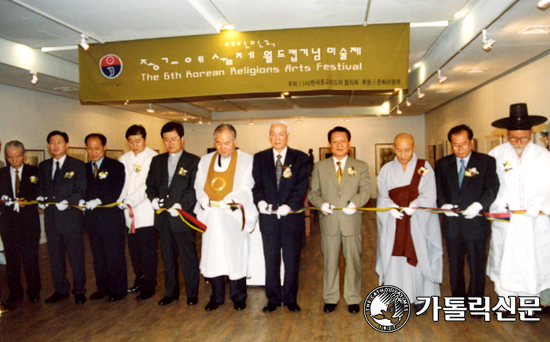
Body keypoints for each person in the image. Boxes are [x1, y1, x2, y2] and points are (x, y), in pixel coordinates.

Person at [488, 103, 550, 315]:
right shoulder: (496, 154)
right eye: (514, 138)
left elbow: (547, 185)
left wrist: (538, 203)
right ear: (507, 135)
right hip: (507, 220)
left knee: (532, 263)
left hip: (534, 221)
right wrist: (498, 205)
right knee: (506, 261)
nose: (519, 143)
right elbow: (491, 185)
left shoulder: (543, 156)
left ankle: (530, 304)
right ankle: (505, 303)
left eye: (524, 138)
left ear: (531, 134)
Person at [194, 124, 258, 311]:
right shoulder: (205, 161)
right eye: (219, 143)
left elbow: (247, 186)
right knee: (214, 256)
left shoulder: (246, 160)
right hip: (212, 217)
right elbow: (199, 185)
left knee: (235, 255)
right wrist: (203, 199)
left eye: (227, 143)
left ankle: (239, 296)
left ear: (235, 141)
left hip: (233, 217)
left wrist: (232, 200)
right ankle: (217, 296)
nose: (223, 147)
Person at [376, 133, 442, 312]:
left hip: (418, 223)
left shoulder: (424, 167)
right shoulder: (386, 170)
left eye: (407, 149)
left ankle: (421, 297)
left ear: (414, 148)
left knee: (420, 258)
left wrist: (417, 205)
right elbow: (382, 196)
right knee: (395, 261)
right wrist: (389, 207)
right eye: (398, 150)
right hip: (395, 224)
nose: (403, 154)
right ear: (393, 149)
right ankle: (396, 298)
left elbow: (430, 194)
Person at [435, 126, 499, 309]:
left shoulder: (486, 162)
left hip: (476, 224)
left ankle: (477, 303)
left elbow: (492, 188)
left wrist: (480, 205)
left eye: (464, 144)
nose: (460, 149)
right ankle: (458, 301)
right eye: (455, 145)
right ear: (451, 145)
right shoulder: (442, 164)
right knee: (454, 266)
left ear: (471, 142)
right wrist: (443, 204)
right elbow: (438, 189)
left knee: (477, 266)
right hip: (452, 224)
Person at [308, 126, 371, 314]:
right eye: (335, 141)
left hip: (351, 221)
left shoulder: (360, 166)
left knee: (353, 262)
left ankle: (352, 298)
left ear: (349, 143)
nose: (339, 145)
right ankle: (330, 297)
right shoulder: (319, 167)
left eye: (343, 141)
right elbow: (313, 193)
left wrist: (355, 203)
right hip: (329, 222)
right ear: (329, 145)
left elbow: (366, 190)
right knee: (330, 263)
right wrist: (321, 204)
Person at [252, 121, 309, 313]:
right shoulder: (260, 158)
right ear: (269, 136)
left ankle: (291, 299)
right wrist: (260, 202)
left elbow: (301, 186)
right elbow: (256, 185)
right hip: (268, 220)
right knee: (271, 260)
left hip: (291, 219)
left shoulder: (300, 158)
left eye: (281, 134)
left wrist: (289, 205)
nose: (277, 138)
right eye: (274, 134)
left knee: (292, 261)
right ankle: (273, 299)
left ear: (287, 135)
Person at [146, 122, 200, 306]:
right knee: (167, 258)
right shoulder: (157, 161)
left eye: (174, 139)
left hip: (183, 217)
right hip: (163, 218)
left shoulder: (193, 161)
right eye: (166, 140)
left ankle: (192, 293)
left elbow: (194, 189)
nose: (170, 143)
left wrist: (181, 205)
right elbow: (150, 185)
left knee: (188, 257)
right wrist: (153, 198)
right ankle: (171, 292)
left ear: (182, 139)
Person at [37, 131, 87, 304]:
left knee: (76, 256)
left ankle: (79, 290)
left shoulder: (77, 165)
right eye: (51, 142)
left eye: (59, 142)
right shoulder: (43, 166)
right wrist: (41, 199)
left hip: (71, 218)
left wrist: (69, 201)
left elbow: (82, 189)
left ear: (67, 145)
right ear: (48, 146)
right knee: (55, 257)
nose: (55, 145)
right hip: (51, 219)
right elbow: (41, 188)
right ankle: (60, 289)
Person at [83, 133, 127, 302]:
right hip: (93, 220)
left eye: (97, 148)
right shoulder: (85, 168)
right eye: (89, 148)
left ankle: (119, 288)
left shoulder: (116, 166)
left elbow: (116, 190)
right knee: (98, 256)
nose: (93, 152)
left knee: (114, 255)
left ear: (104, 147)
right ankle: (103, 287)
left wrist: (99, 200)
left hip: (111, 220)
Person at [118, 125, 159, 301]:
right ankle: (139, 280)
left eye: (138, 140)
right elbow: (122, 183)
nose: (134, 144)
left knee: (147, 252)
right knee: (134, 251)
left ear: (145, 139)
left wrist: (131, 200)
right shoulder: (123, 158)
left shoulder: (153, 157)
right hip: (128, 214)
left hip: (145, 213)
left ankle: (149, 285)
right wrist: (121, 200)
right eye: (131, 141)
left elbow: (146, 185)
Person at [0, 141, 41, 303]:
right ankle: (15, 292)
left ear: (24, 155)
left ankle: (34, 291)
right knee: (12, 261)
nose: (14, 161)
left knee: (31, 258)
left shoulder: (35, 172)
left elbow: (41, 194)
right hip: (8, 224)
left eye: (17, 156)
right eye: (10, 157)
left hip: (29, 223)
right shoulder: (1, 173)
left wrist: (29, 201)